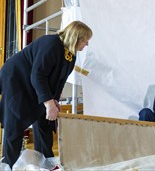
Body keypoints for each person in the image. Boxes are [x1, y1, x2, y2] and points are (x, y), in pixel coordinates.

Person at [0, 20, 93, 168]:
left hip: (34, 82)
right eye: (84, 40)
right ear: (75, 37)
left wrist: (54, 101)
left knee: (46, 119)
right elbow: (38, 75)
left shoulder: (70, 55)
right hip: (17, 79)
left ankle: (45, 162)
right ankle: (7, 165)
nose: (86, 44)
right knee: (15, 120)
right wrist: (48, 103)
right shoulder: (51, 44)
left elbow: (59, 81)